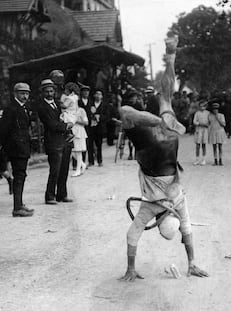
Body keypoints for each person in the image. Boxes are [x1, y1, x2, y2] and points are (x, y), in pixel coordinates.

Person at [119, 34, 208, 282]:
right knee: (167, 95)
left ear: (160, 221)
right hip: (162, 139)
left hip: (156, 142)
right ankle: (171, 55)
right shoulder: (178, 203)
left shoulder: (154, 206)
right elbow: (186, 229)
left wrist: (130, 269)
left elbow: (125, 111)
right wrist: (162, 121)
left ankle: (171, 55)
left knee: (165, 96)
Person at [0, 83, 34, 217]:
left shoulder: (22, 108)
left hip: (22, 147)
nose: (25, 96)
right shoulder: (11, 109)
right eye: (22, 93)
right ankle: (17, 207)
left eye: (27, 93)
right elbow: (4, 130)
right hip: (16, 148)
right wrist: (8, 145)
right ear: (15, 94)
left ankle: (19, 204)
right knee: (19, 176)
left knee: (21, 175)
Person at [37, 79, 75, 205]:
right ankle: (49, 196)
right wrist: (66, 126)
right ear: (43, 93)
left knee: (64, 168)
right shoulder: (42, 107)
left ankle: (62, 195)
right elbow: (51, 124)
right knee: (55, 169)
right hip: (53, 141)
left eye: (51, 91)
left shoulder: (58, 104)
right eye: (47, 91)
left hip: (64, 140)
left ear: (54, 91)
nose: (49, 93)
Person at [87, 89, 108, 166]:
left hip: (100, 127)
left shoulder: (105, 105)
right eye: (97, 94)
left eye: (100, 94)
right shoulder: (90, 104)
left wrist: (100, 117)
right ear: (94, 95)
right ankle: (90, 161)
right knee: (90, 144)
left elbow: (107, 116)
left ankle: (99, 160)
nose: (98, 96)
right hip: (91, 127)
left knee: (99, 144)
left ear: (102, 96)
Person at [192, 100, 210, 165]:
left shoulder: (208, 113)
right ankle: (197, 159)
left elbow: (209, 121)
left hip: (205, 130)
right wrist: (199, 123)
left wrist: (206, 124)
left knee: (204, 145)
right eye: (201, 106)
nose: (202, 107)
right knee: (197, 145)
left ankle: (204, 159)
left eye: (204, 106)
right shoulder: (197, 113)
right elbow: (194, 121)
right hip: (198, 130)